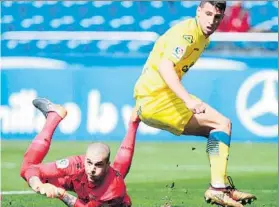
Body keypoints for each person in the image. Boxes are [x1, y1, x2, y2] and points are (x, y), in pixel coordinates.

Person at [133, 1, 256, 207]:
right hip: (157, 99)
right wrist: (187, 99)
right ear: (198, 11)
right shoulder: (187, 34)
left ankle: (221, 186)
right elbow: (165, 67)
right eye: (207, 14)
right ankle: (217, 188)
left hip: (157, 98)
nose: (211, 21)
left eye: (217, 17)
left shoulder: (203, 37)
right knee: (221, 125)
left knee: (219, 128)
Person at [20, 98, 140, 207]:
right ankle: (133, 123)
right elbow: (33, 170)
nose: (92, 169)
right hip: (79, 184)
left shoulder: (113, 190)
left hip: (108, 201)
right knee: (26, 170)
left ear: (107, 166)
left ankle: (53, 117)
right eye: (89, 162)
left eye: (98, 164)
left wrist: (61, 194)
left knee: (115, 177)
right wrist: (39, 185)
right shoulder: (77, 164)